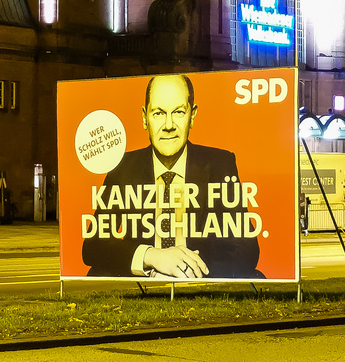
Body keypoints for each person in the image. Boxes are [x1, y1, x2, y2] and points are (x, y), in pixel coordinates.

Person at [81, 73, 262, 280]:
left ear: (192, 116)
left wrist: (185, 267)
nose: (168, 125)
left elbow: (246, 249)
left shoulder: (219, 164)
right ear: (144, 118)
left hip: (198, 277)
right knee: (95, 273)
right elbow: (93, 246)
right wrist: (152, 256)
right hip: (144, 276)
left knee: (254, 275)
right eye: (158, 113)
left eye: (178, 112)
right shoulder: (122, 167)